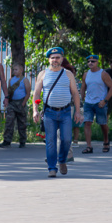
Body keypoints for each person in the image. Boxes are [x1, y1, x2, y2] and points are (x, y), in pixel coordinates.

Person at [32, 47, 83, 177]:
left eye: (58, 57)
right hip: (49, 112)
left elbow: (75, 94)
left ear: (62, 59)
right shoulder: (43, 74)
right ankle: (51, 168)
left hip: (65, 112)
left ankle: (62, 160)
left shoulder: (68, 74)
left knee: (66, 140)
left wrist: (78, 111)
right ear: (49, 59)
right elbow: (37, 94)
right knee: (51, 141)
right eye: (53, 58)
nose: (55, 60)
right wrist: (35, 110)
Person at [80, 55, 112, 154]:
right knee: (87, 123)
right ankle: (89, 146)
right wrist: (81, 101)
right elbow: (83, 88)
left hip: (100, 103)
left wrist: (105, 100)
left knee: (102, 124)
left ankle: (106, 141)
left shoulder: (103, 74)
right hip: (88, 102)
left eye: (93, 61)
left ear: (97, 62)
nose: (90, 63)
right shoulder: (86, 74)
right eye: (89, 61)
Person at [0, 63, 31, 148]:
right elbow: (9, 92)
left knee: (22, 123)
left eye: (16, 70)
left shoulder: (25, 80)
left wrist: (23, 103)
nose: (14, 71)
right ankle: (7, 140)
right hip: (12, 103)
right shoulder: (11, 80)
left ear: (21, 70)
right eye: (13, 70)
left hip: (21, 102)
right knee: (9, 122)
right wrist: (7, 100)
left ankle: (22, 141)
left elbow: (28, 93)